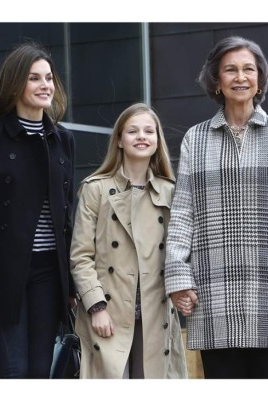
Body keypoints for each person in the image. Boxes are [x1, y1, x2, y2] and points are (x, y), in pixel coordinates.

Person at [164, 36, 268, 379]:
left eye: (248, 69)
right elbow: (183, 213)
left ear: (260, 79)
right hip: (213, 291)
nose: (240, 77)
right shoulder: (196, 138)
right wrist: (177, 276)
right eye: (230, 69)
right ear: (216, 81)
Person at [0, 42, 76, 378]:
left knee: (40, 372)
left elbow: (68, 216)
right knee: (14, 371)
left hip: (50, 273)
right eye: (34, 78)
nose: (45, 85)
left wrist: (72, 285)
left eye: (48, 78)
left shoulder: (62, 139)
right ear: (15, 83)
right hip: (4, 273)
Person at [69, 103, 187, 379]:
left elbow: (181, 253)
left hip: (155, 314)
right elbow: (81, 255)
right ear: (120, 140)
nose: (141, 136)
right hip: (108, 313)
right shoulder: (95, 189)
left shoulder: (170, 191)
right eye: (133, 131)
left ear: (157, 140)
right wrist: (96, 307)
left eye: (149, 131)